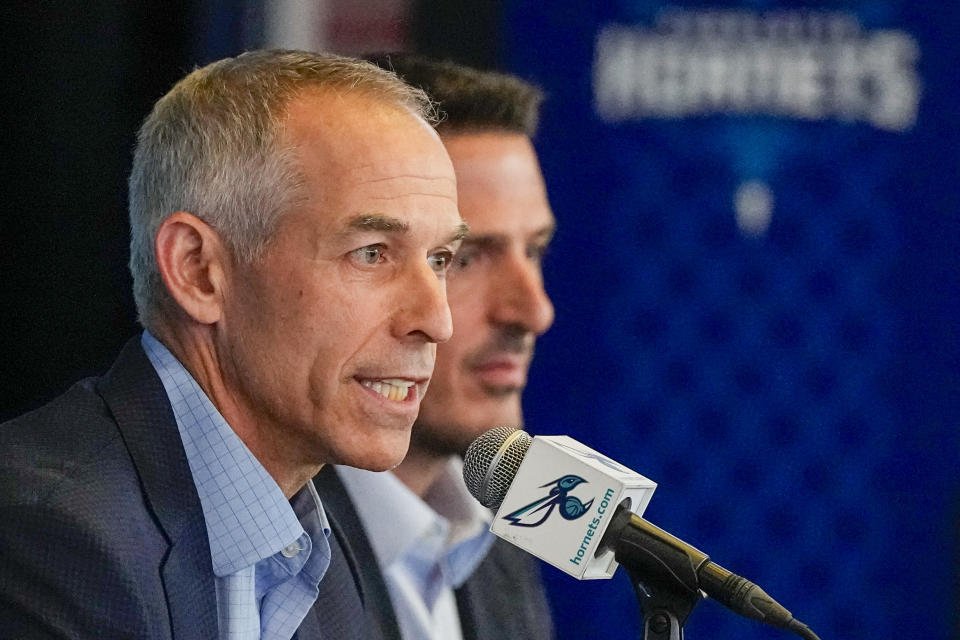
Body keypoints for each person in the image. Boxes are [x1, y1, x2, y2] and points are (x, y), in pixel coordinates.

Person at [0, 49, 467, 639]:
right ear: (198, 271)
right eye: (371, 253)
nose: (436, 320)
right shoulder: (51, 539)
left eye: (442, 259)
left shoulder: (319, 547)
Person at [314, 54, 556, 640]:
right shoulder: (258, 559)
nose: (533, 311)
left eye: (536, 252)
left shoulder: (497, 542)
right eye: (463, 259)